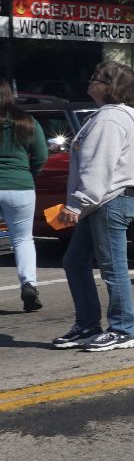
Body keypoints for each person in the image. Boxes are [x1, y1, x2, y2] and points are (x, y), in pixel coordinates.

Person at [54, 61, 134, 351]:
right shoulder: (107, 117)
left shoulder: (109, 120)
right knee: (75, 261)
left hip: (109, 200)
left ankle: (124, 329)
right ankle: (86, 325)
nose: (90, 81)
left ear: (109, 87)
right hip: (103, 201)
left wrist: (76, 204)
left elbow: (98, 166)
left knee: (113, 267)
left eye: (96, 78)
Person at [0, 81, 49, 313]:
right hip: (20, 186)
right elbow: (41, 155)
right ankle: (28, 284)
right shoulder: (27, 121)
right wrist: (29, 174)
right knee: (22, 239)